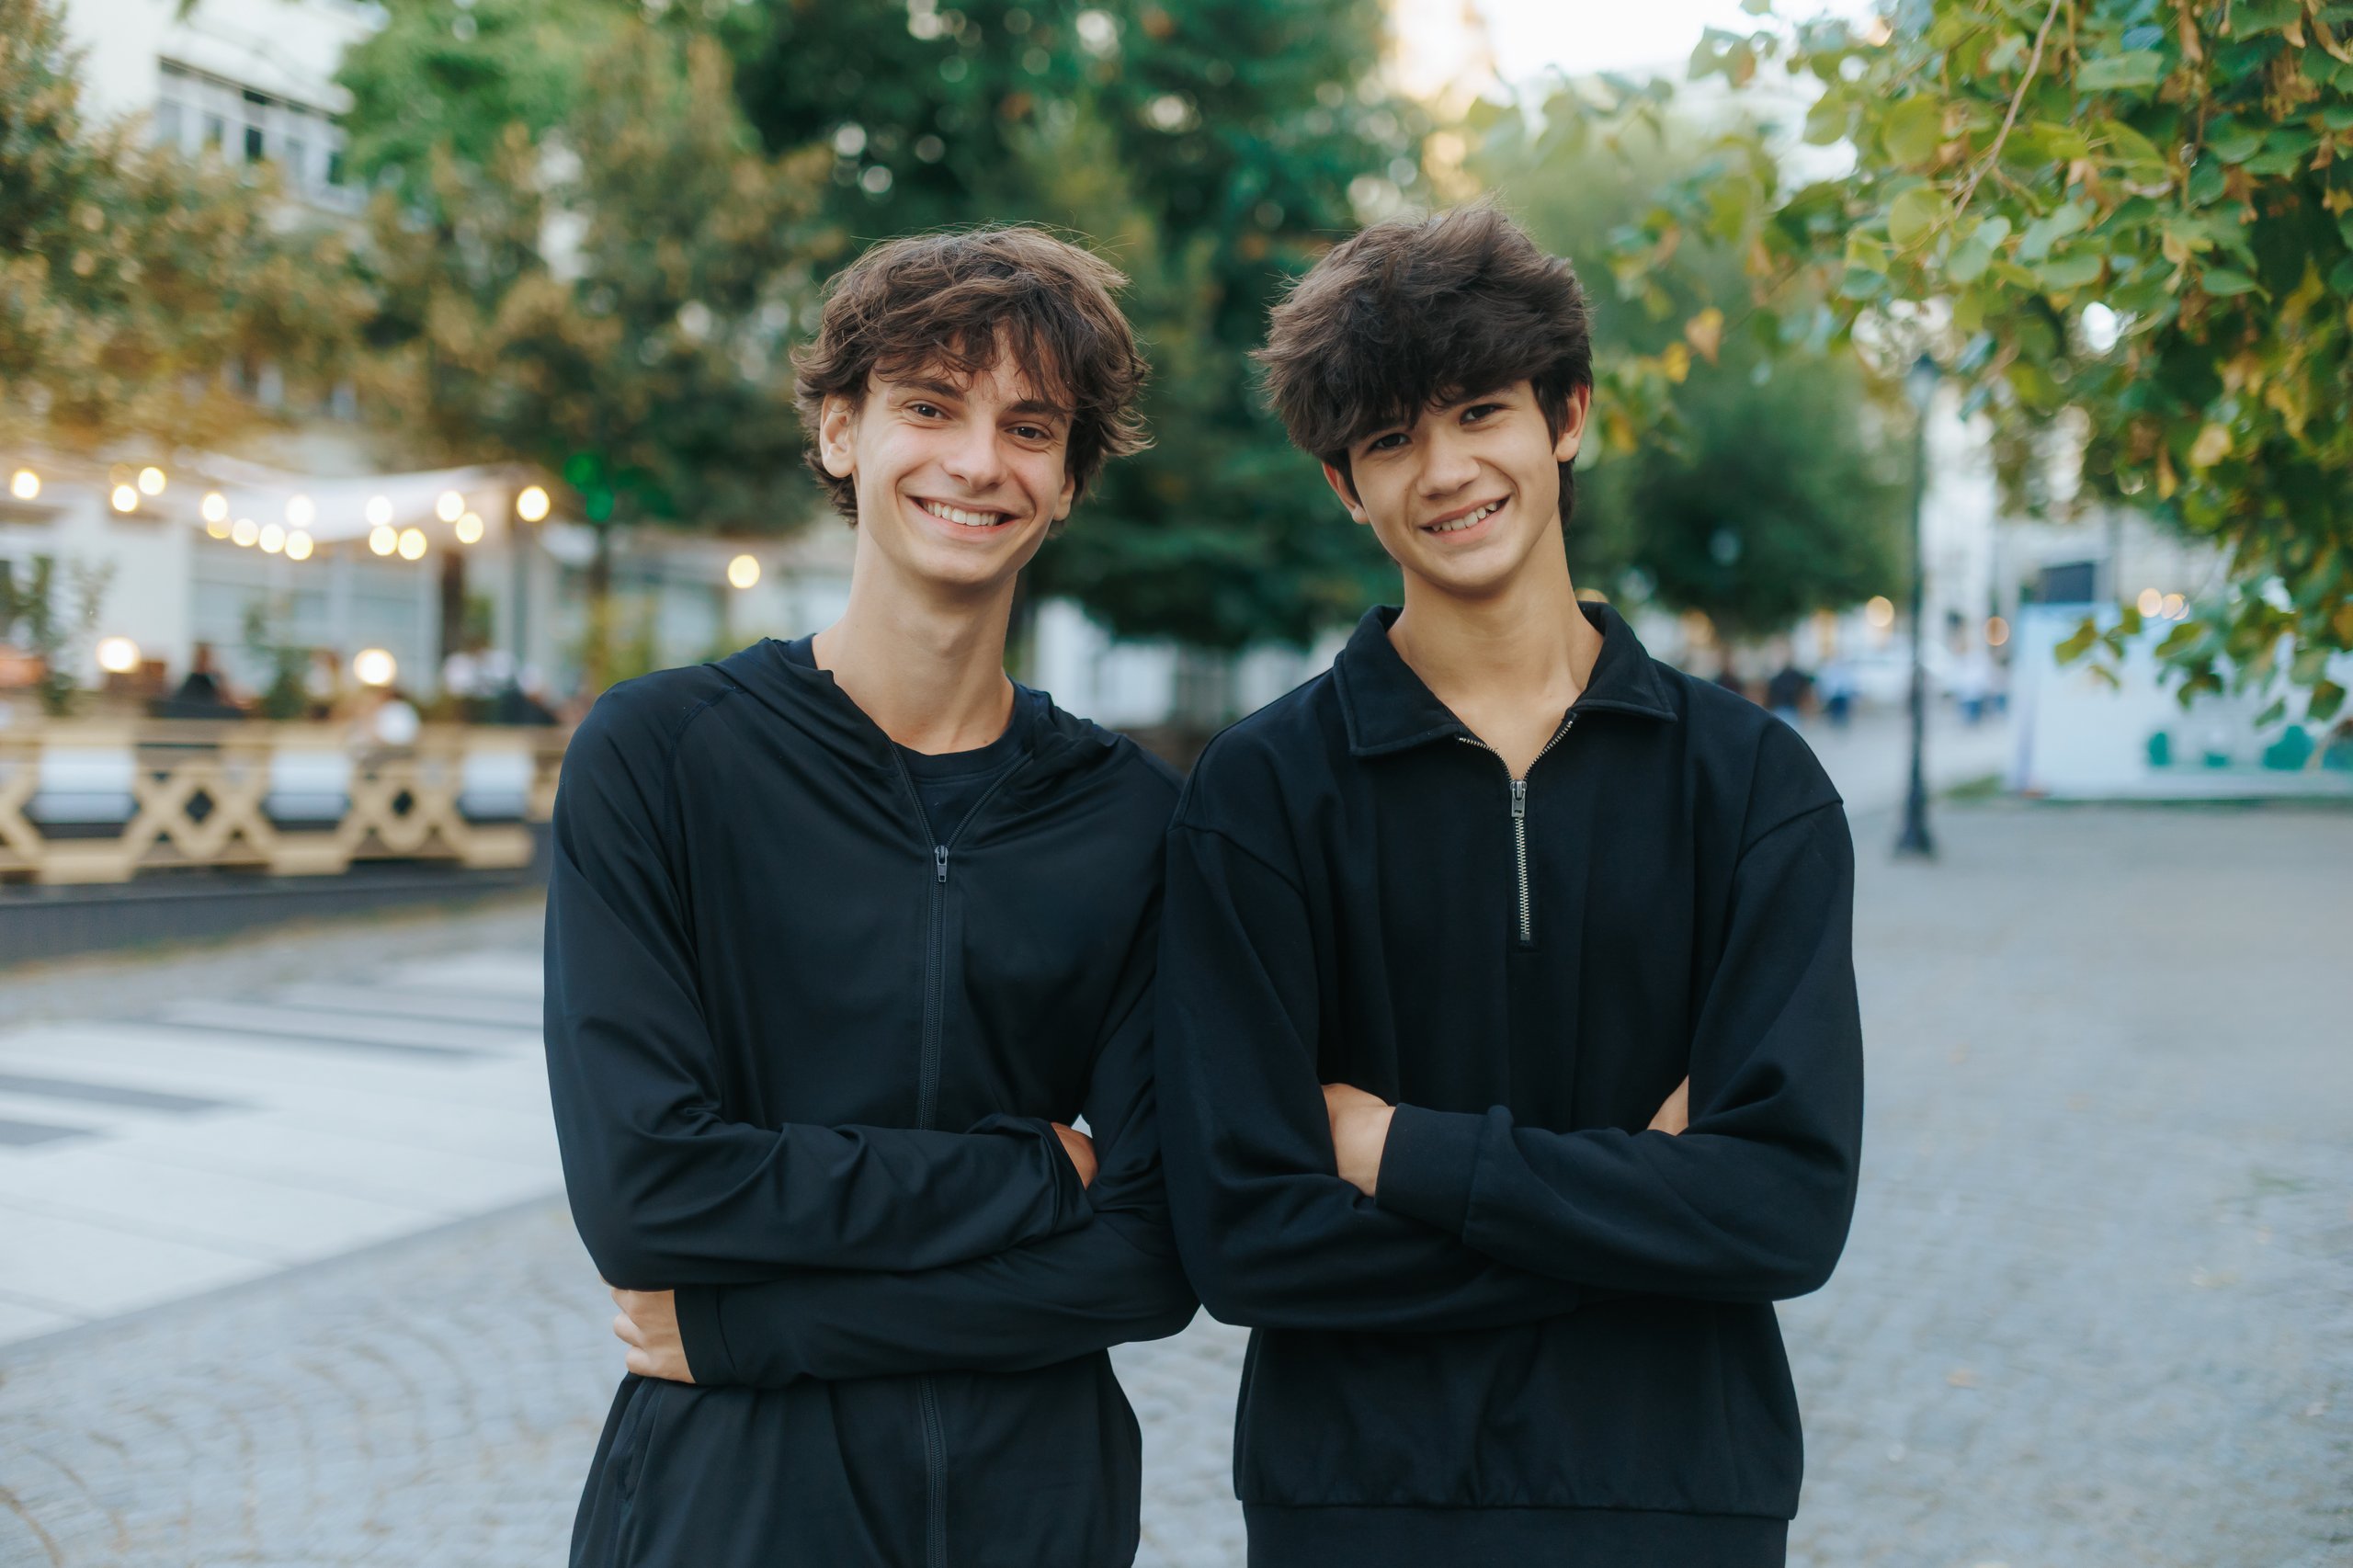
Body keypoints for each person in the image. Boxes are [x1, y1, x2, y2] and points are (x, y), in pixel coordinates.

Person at [1155, 206, 1864, 1567]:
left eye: (1480, 410)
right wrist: (1647, 1203)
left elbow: (1781, 1208)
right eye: (1388, 438)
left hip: (1680, 1499)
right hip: (1357, 1504)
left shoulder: (1755, 787)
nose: (1445, 470)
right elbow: (1247, 1237)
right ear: (1342, 486)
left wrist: (1393, 1150)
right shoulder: (1259, 797)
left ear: (1568, 417)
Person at [545, 227, 1196, 1568]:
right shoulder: (663, 757)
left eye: (1029, 427)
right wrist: (1028, 1166)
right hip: (728, 1505)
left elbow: (1148, 1255)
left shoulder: (1132, 818)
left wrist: (753, 1328)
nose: (975, 461)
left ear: (1068, 482)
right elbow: (647, 1192)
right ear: (841, 432)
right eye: (928, 406)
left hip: (1035, 1508)